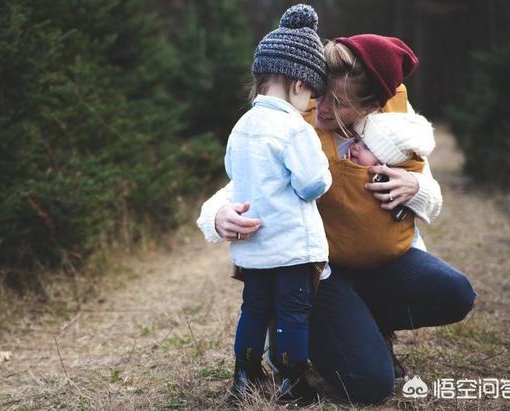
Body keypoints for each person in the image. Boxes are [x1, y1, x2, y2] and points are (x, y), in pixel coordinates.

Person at [197, 34, 477, 404]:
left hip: (382, 264)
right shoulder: (297, 122)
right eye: (321, 94)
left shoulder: (395, 126)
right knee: (370, 384)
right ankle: (306, 329)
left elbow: (431, 193)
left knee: (456, 293)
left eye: (339, 103)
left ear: (372, 105)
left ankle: (363, 323)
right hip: (320, 274)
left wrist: (416, 187)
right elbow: (246, 182)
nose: (323, 108)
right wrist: (217, 215)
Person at [224, 4, 331, 401]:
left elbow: (234, 174)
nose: (312, 105)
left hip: (253, 248)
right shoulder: (294, 128)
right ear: (299, 84)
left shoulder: (241, 126)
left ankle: (244, 376)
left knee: (253, 310)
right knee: (291, 315)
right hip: (291, 247)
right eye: (313, 95)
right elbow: (311, 184)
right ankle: (293, 381)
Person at [324, 111, 435, 270]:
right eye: (357, 141)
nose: (355, 147)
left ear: (386, 164)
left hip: (395, 255)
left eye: (366, 148)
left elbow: (433, 204)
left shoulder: (396, 178)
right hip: (338, 260)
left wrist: (418, 188)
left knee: (457, 287)